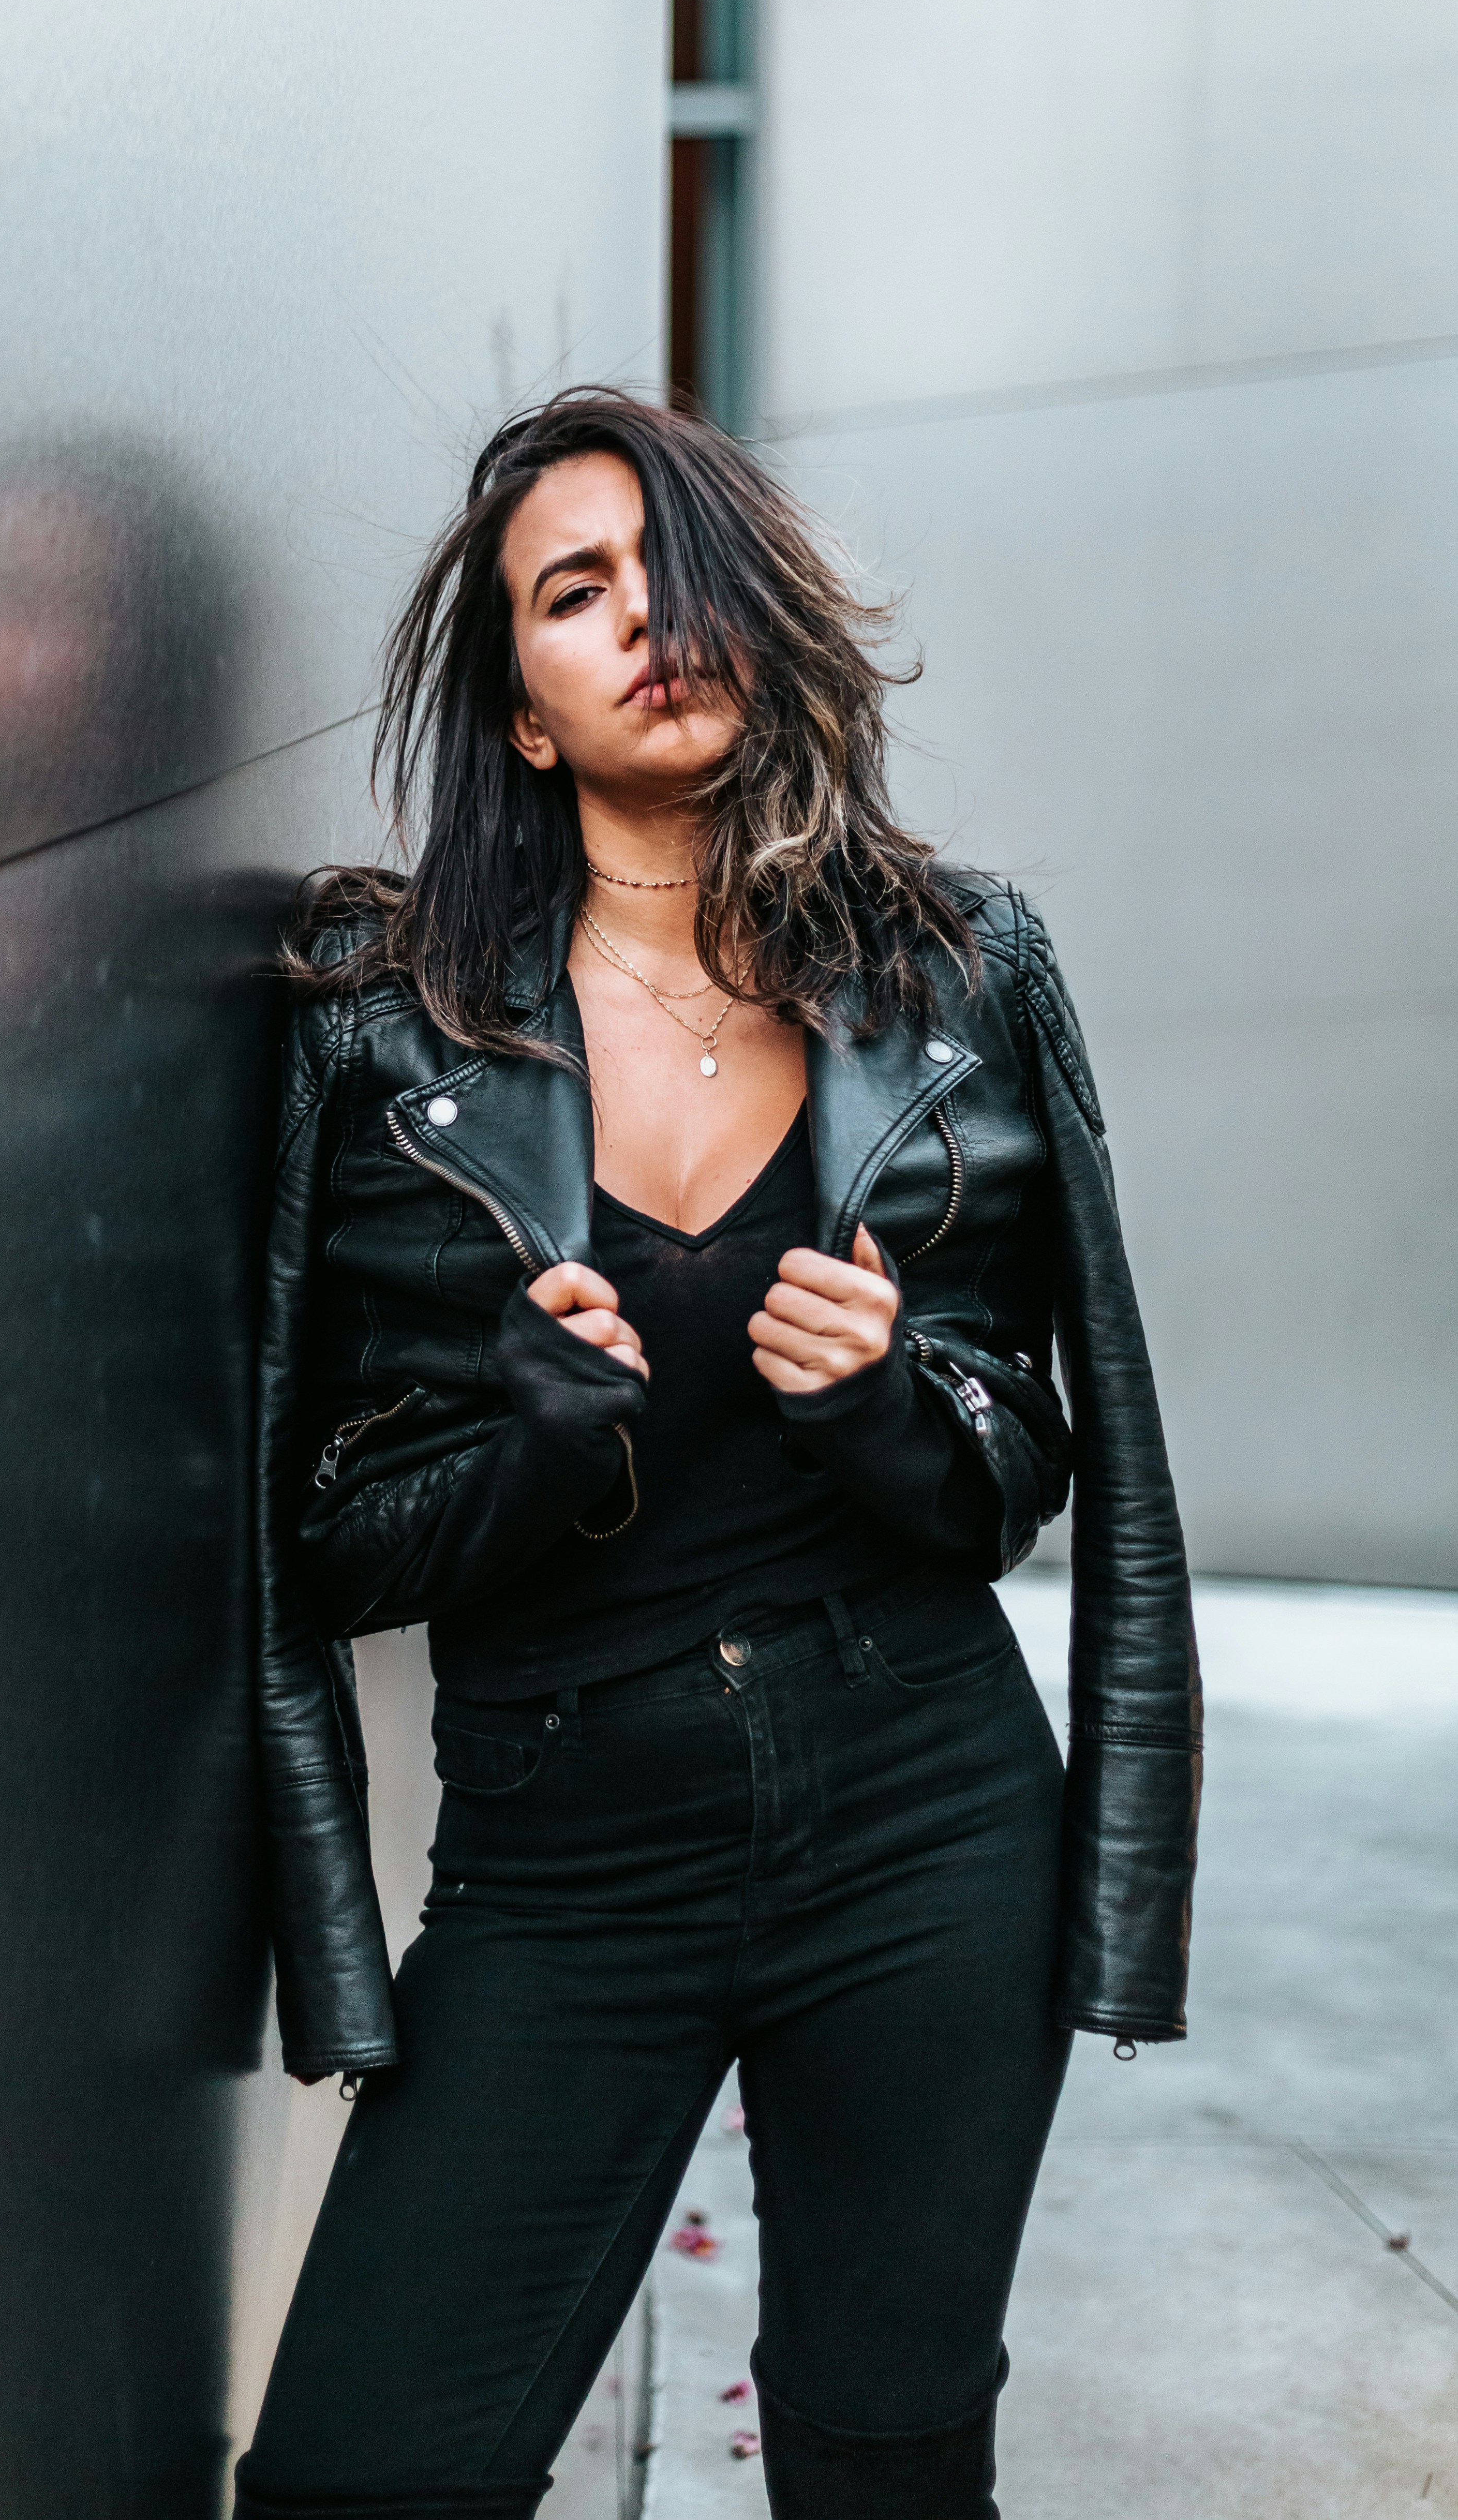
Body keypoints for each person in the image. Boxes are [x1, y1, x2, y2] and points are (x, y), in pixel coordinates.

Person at [237, 389, 1200, 2520]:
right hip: (564, 1856)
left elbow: (1027, 1455)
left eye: (673, 568)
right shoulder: (384, 1031)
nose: (643, 617)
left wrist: (893, 1408)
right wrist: (521, 1445)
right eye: (574, 593)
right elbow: (303, 1537)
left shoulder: (960, 970)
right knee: (355, 2474)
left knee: (881, 2447)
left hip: (926, 1813)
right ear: (523, 714)